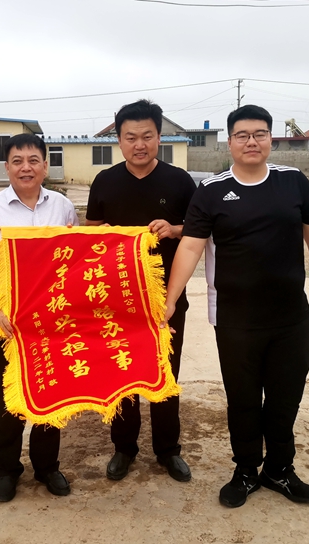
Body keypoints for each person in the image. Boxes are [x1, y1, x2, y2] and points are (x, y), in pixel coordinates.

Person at [163, 104, 309, 508]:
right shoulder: (211, 190)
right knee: (242, 400)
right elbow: (189, 246)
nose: (251, 141)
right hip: (235, 319)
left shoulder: (293, 182)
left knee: (284, 398)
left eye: (260, 134)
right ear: (230, 142)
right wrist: (170, 300)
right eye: (242, 135)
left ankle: (279, 469)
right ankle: (245, 470)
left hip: (289, 316)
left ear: (270, 138)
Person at [86, 99, 197, 483]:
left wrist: (174, 229)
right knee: (122, 374)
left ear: (159, 137)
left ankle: (168, 450)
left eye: (147, 136)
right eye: (130, 137)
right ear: (119, 140)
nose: (139, 144)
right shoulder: (105, 182)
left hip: (167, 297)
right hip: (117, 300)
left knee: (165, 373)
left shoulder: (179, 181)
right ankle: (124, 448)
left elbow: (199, 231)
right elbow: (91, 233)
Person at [0, 133, 79, 502]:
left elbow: (74, 258)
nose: (26, 168)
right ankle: (7, 469)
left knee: (52, 394)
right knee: (9, 401)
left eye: (34, 160)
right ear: (7, 167)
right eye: (17, 161)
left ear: (45, 166)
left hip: (53, 323)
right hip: (9, 324)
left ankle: (47, 466)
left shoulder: (63, 207)